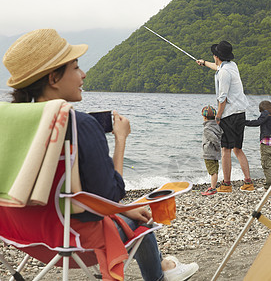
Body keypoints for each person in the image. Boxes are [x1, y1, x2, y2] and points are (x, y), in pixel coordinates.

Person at [3, 29, 198, 281]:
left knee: (130, 212)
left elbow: (57, 194)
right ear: (53, 77)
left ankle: (165, 269)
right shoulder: (79, 125)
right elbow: (110, 195)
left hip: (20, 235)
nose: (83, 75)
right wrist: (120, 140)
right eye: (75, 68)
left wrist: (123, 210)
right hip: (73, 240)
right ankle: (160, 277)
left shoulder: (11, 124)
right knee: (144, 224)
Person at [196, 41, 254, 193]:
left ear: (217, 56)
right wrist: (204, 63)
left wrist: (218, 116)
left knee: (225, 149)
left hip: (229, 115)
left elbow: (222, 98)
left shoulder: (223, 73)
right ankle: (248, 182)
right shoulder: (231, 66)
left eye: (213, 55)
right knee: (238, 149)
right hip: (241, 112)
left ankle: (227, 185)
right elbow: (218, 67)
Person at [200, 105, 223, 196]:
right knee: (215, 170)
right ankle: (213, 186)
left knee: (212, 172)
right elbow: (220, 134)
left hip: (209, 153)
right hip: (215, 153)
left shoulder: (207, 129)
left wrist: (217, 147)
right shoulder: (217, 126)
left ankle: (213, 188)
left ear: (204, 117)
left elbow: (214, 139)